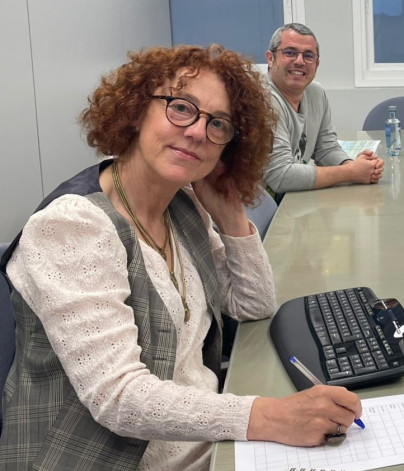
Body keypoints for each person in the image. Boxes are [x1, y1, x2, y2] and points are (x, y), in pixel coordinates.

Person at [0, 45, 362, 469]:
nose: (196, 132)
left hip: (206, 442)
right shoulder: (73, 226)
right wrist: (270, 415)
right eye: (181, 108)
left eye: (218, 124)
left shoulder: (181, 205)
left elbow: (252, 303)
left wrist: (229, 210)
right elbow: (118, 397)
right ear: (136, 110)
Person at [264, 23, 383, 197]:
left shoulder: (316, 93)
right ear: (270, 58)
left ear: (317, 64)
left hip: (294, 200)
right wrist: (350, 172)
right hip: (261, 212)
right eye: (289, 52)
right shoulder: (262, 99)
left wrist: (357, 166)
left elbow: (326, 148)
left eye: (308, 55)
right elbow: (281, 177)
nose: (299, 61)